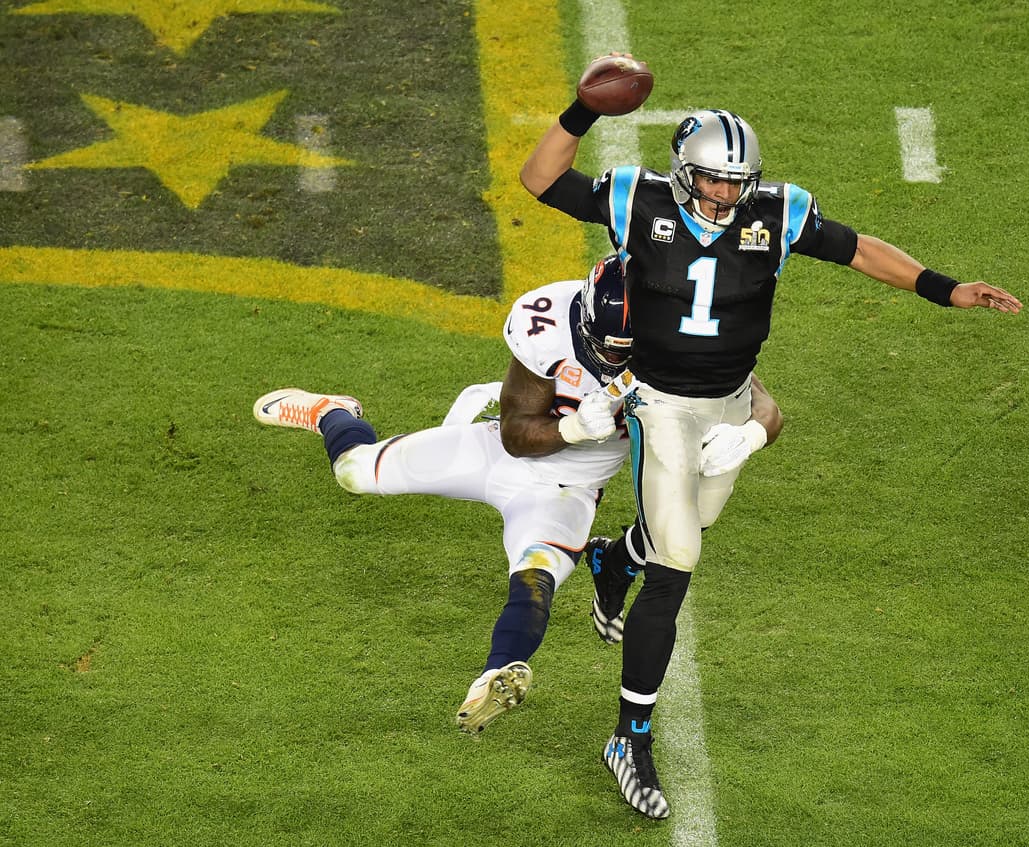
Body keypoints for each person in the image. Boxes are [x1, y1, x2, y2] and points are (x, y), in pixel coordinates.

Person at [520, 64, 1023, 819]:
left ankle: (608, 557)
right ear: (684, 174)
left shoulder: (776, 215)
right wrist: (579, 113)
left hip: (729, 400)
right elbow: (539, 179)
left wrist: (944, 287)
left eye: (737, 182)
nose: (727, 195)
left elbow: (857, 249)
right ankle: (630, 736)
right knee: (678, 561)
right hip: (658, 401)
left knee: (683, 527)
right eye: (714, 182)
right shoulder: (637, 199)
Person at [252, 254, 782, 737]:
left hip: (570, 489)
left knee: (536, 576)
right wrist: (573, 430)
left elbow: (761, 403)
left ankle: (493, 674)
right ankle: (332, 413)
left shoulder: (684, 341)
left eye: (629, 348)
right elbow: (514, 434)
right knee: (354, 472)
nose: (614, 358)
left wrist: (752, 434)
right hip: (504, 452)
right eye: (605, 346)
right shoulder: (546, 321)